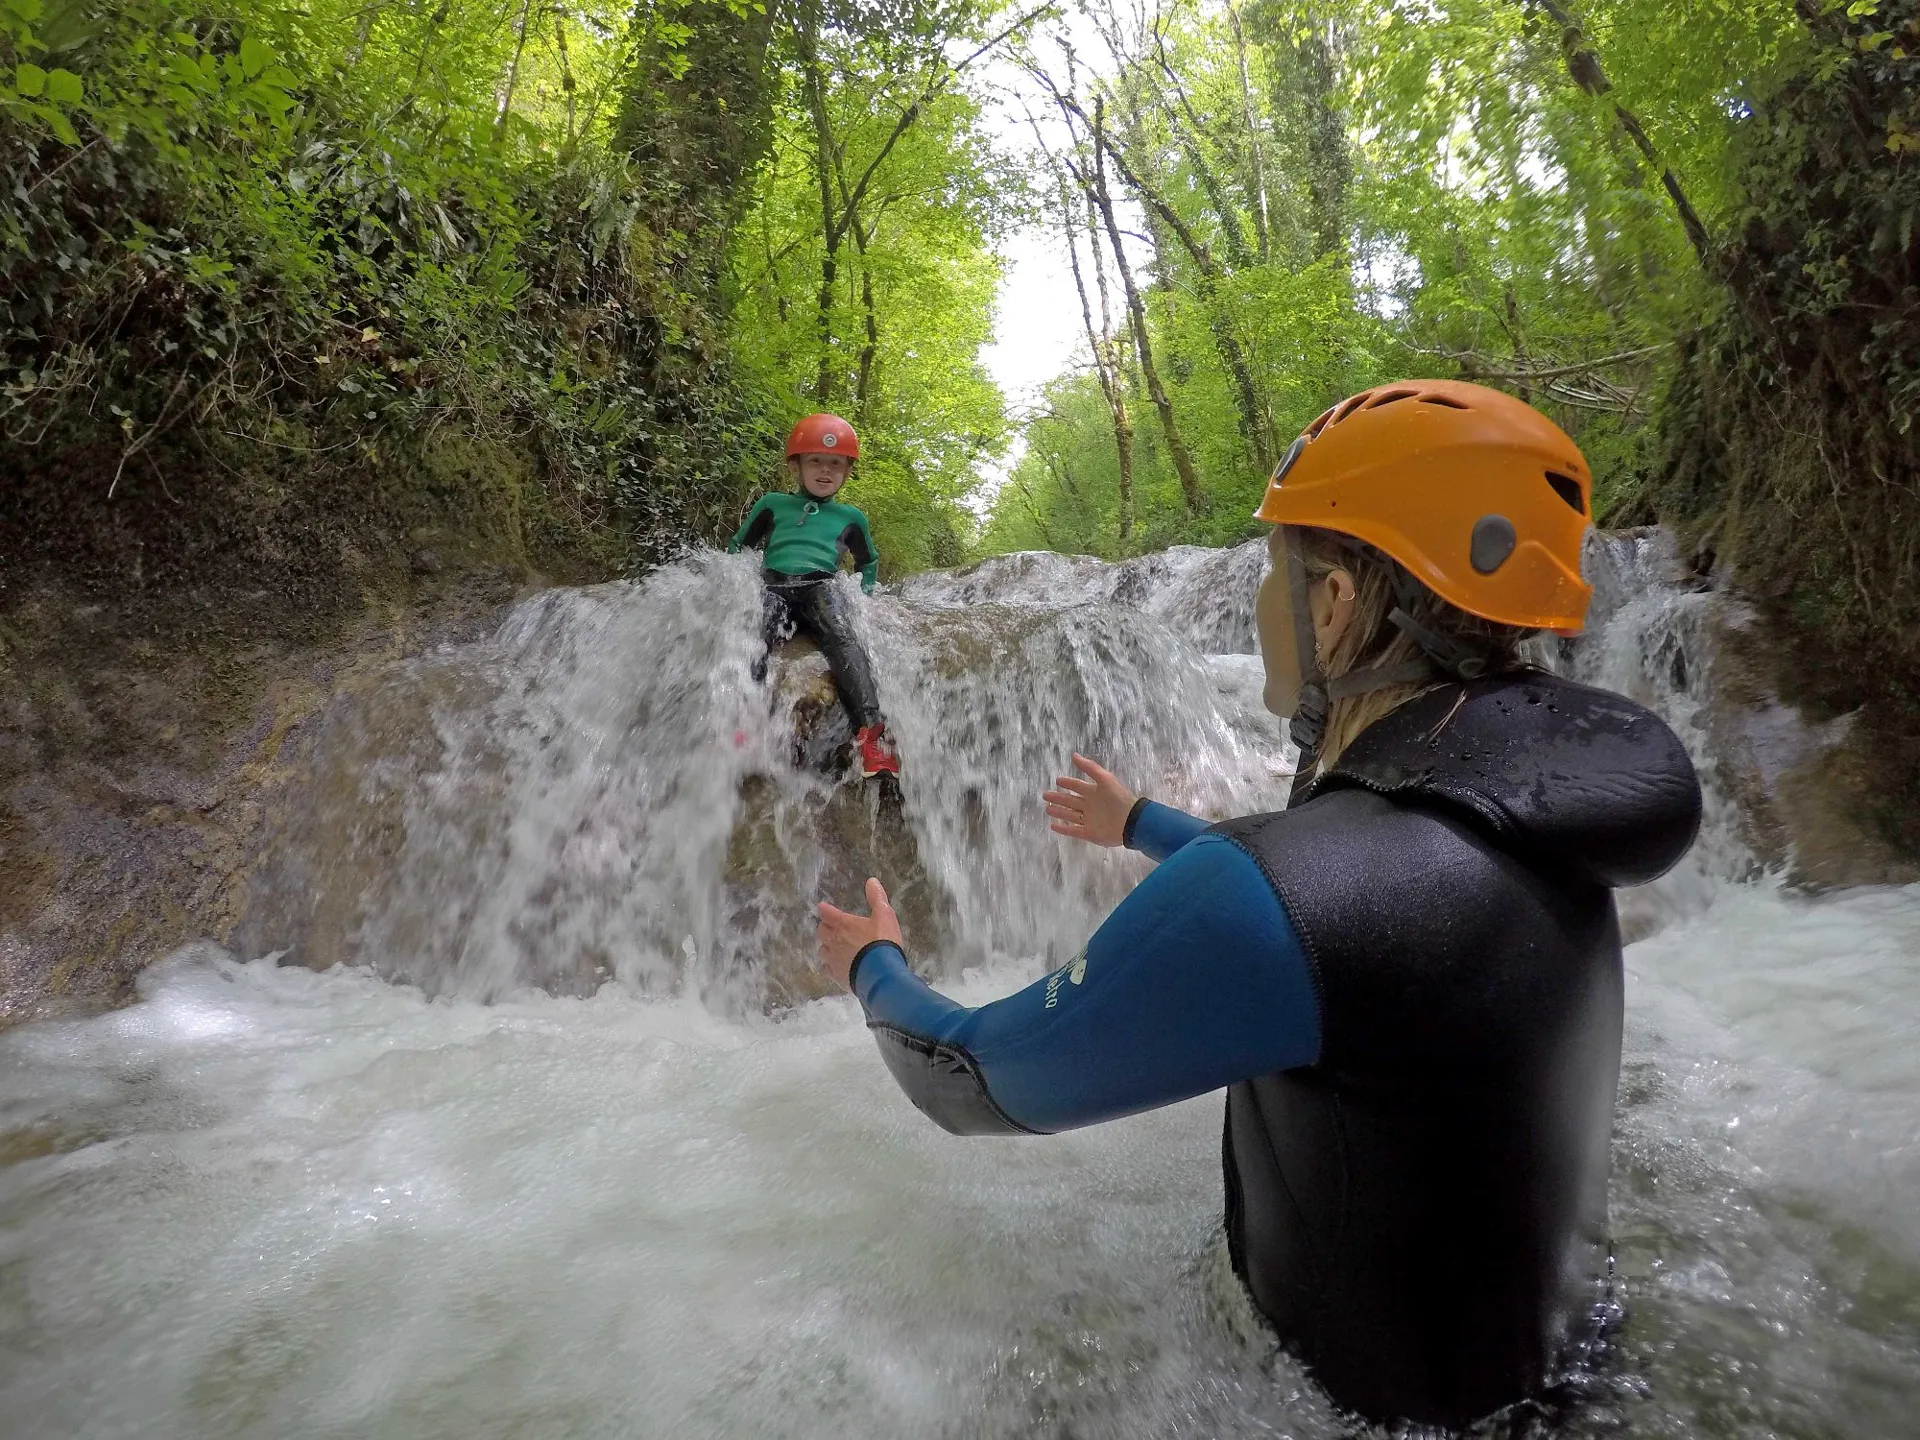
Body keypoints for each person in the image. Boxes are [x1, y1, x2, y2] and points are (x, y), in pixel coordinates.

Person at [813, 380, 1704, 1430]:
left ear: (1332, 605)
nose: (1263, 605)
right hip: (1562, 1378)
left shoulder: (1306, 894)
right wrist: (1145, 823)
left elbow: (971, 1078)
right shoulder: (1529, 808)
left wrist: (876, 965)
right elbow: (1357, 925)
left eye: (1278, 573)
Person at [730, 412, 899, 779]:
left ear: (847, 471)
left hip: (820, 586)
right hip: (774, 585)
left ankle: (872, 736)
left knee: (842, 636)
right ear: (797, 466)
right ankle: (746, 724)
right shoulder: (772, 504)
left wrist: (864, 595)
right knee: (757, 635)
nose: (826, 471)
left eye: (836, 464)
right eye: (816, 461)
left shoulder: (850, 516)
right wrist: (731, 584)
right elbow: (739, 545)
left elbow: (868, 561)